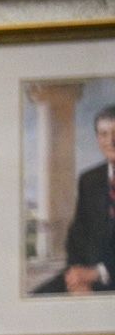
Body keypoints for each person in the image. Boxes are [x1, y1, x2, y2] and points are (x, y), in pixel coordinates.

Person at [59, 107, 115, 295]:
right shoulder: (89, 179)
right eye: (104, 134)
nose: (111, 141)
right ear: (98, 139)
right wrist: (75, 274)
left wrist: (98, 273)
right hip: (85, 275)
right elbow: (77, 234)